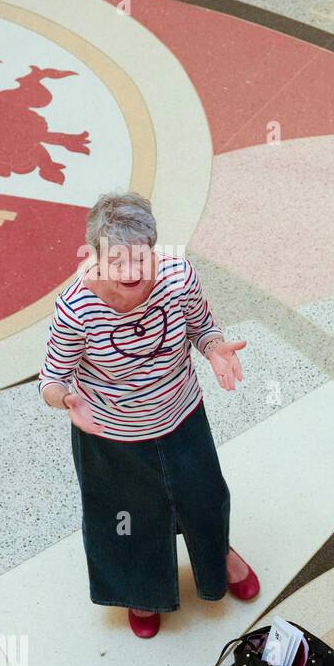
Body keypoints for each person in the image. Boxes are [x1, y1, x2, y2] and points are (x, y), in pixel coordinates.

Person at [38, 191, 258, 639]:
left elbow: (202, 328)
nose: (132, 273)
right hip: (111, 436)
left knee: (204, 498)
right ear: (96, 259)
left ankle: (219, 556)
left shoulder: (179, 276)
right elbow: (51, 378)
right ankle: (140, 590)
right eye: (117, 262)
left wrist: (215, 350)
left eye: (141, 258)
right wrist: (66, 401)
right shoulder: (75, 309)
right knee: (125, 519)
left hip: (181, 415)